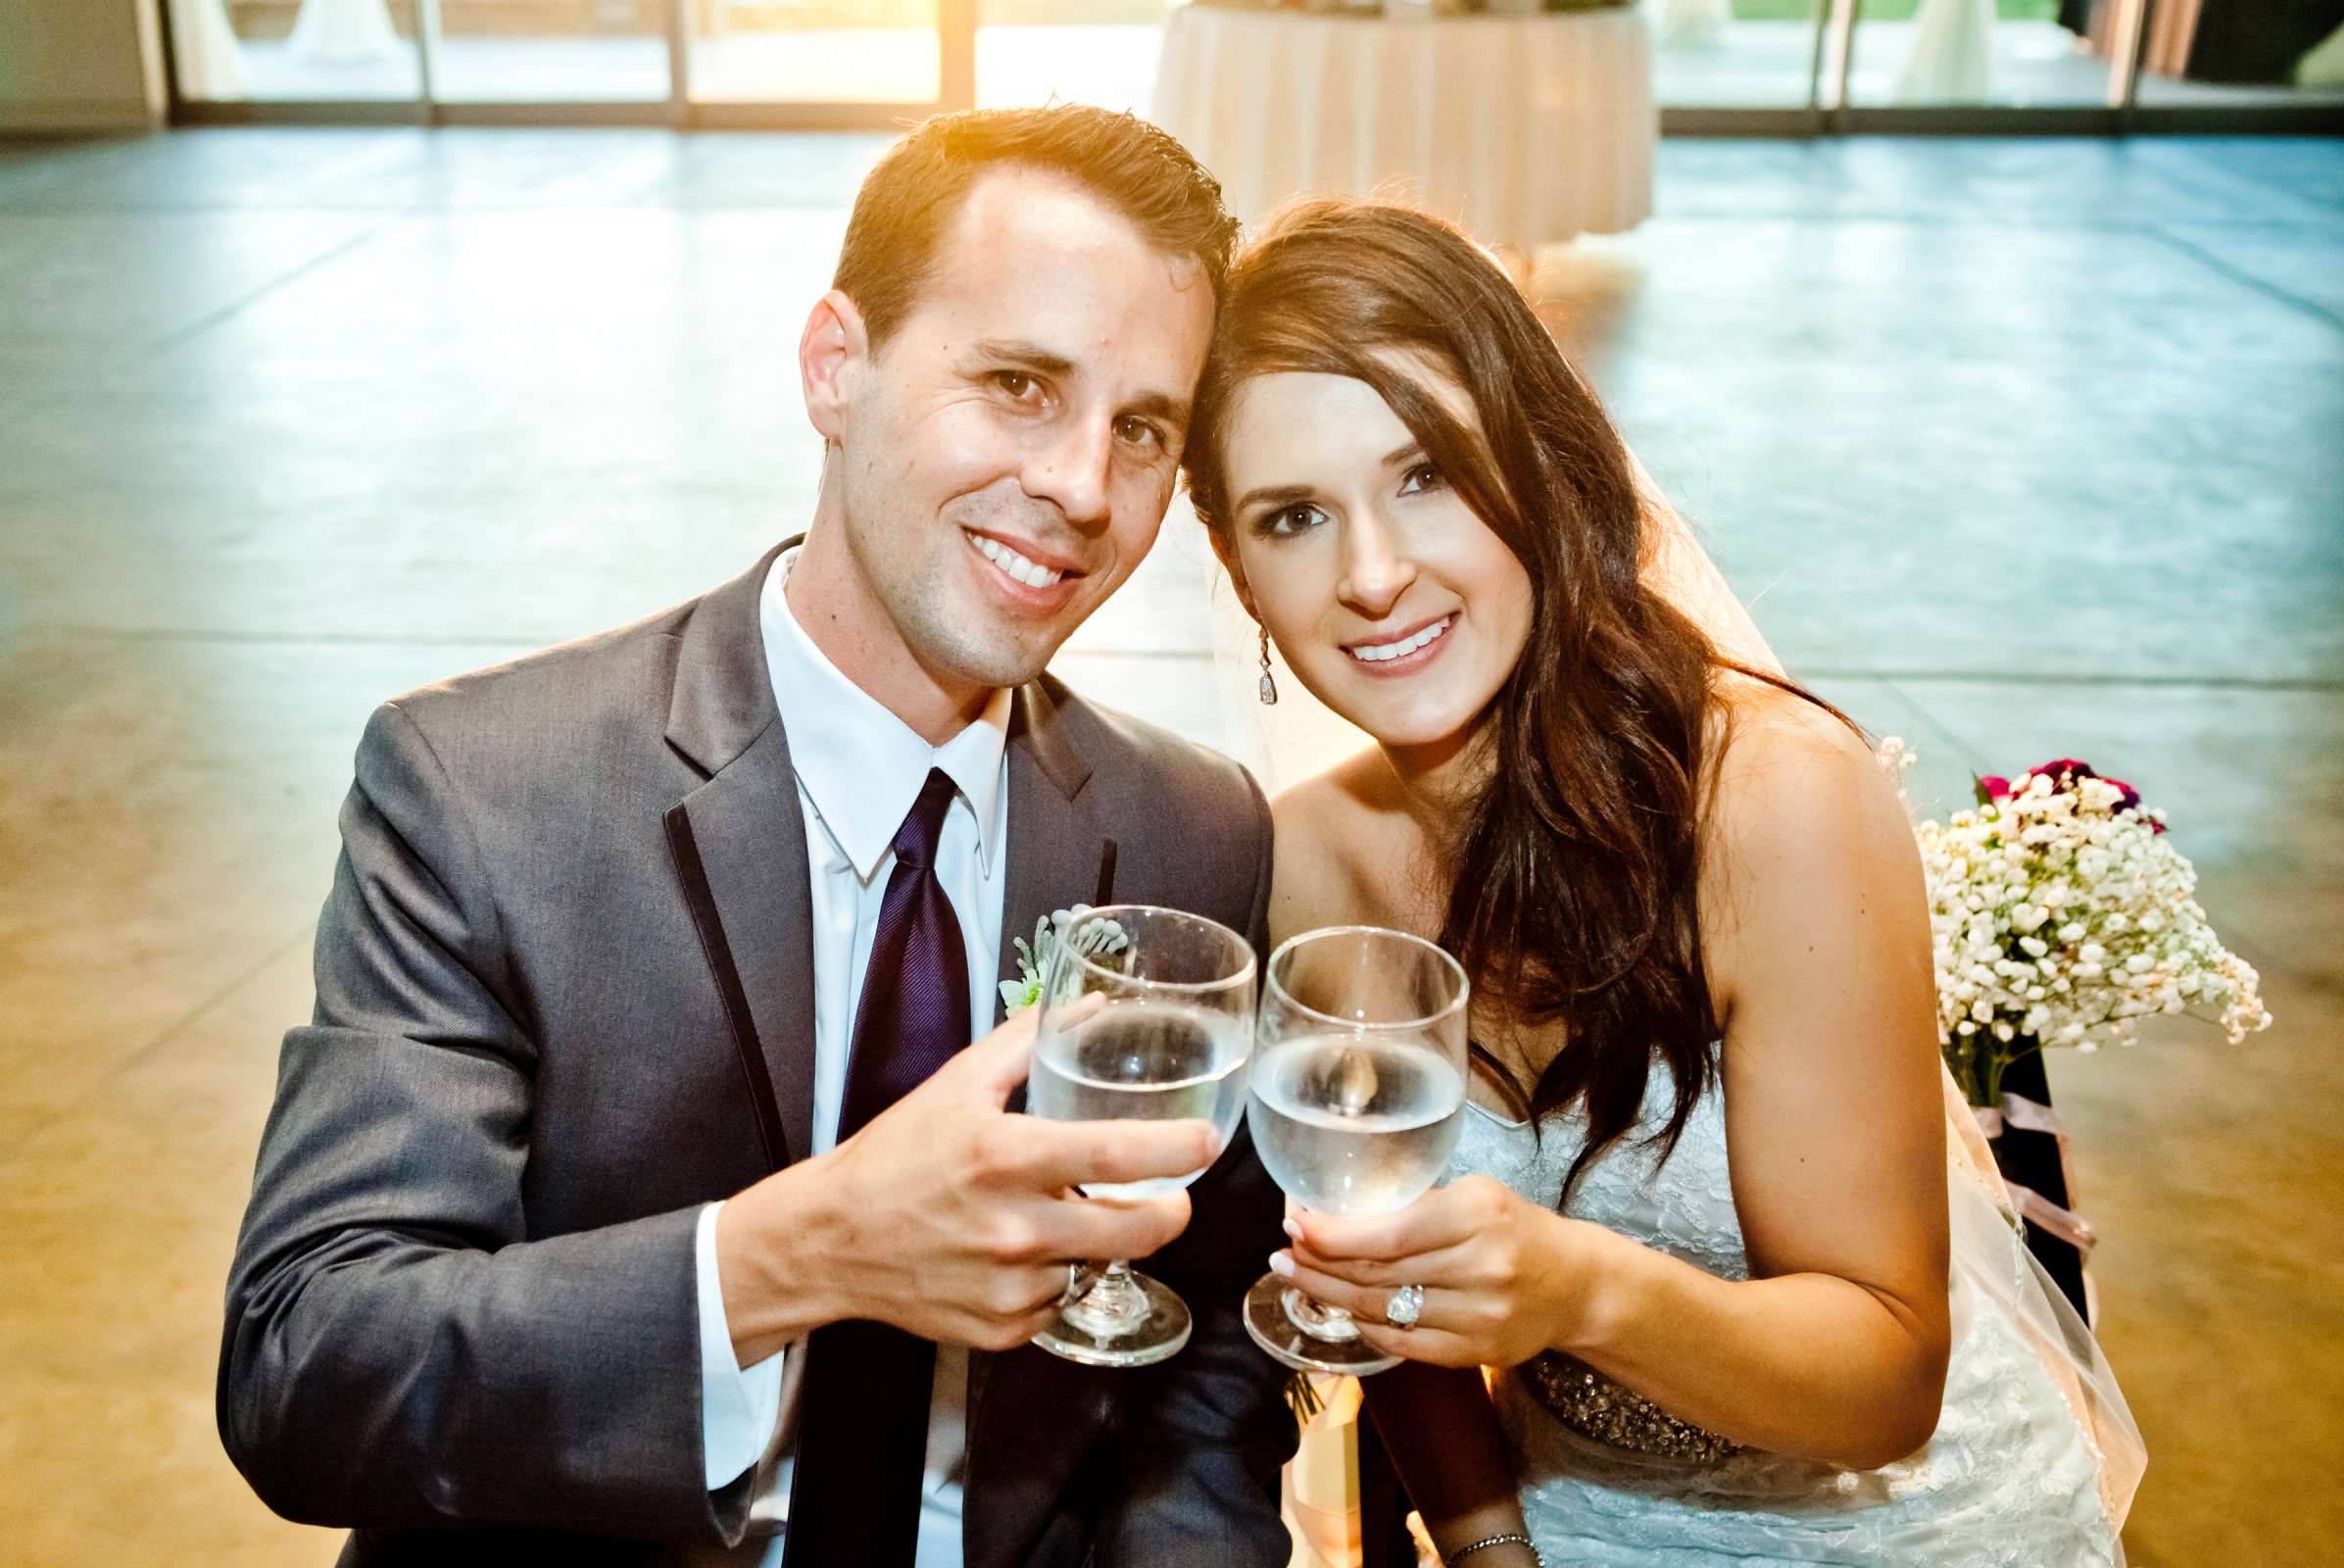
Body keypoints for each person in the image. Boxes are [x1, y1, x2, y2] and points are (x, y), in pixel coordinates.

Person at [220, 106, 1296, 1567]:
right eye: (1021, 386)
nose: (1087, 490)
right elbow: (307, 1366)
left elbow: (1207, 1368)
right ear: (835, 366)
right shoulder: (486, 791)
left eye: (1145, 427)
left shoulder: (1194, 831)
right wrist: (797, 1255)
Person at [1184, 198, 2141, 1567]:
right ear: (1239, 573)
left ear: (1535, 466)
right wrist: (1486, 1540)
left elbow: (1885, 1382)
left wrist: (1577, 1289)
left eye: (1428, 474)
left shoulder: (1772, 804)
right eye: (1294, 517)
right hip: (1567, 1523)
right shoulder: (1305, 862)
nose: (1376, 575)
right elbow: (1381, 1270)